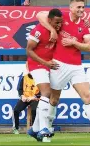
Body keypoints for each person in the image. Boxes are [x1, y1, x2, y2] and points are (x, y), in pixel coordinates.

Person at [36, 0, 90, 139]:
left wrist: (74, 43)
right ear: (71, 8)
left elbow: (89, 47)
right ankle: (47, 129)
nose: (81, 10)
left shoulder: (85, 25)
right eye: (78, 7)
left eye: (82, 7)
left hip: (76, 67)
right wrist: (52, 30)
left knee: (88, 97)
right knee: (54, 99)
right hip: (59, 65)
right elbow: (39, 15)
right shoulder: (61, 18)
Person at [26, 9, 63, 142]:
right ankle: (43, 129)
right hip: (37, 65)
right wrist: (45, 62)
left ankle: (34, 129)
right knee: (46, 93)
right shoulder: (38, 30)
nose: (59, 25)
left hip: (50, 66)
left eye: (60, 23)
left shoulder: (57, 28)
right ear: (49, 20)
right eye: (56, 23)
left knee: (53, 97)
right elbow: (29, 50)